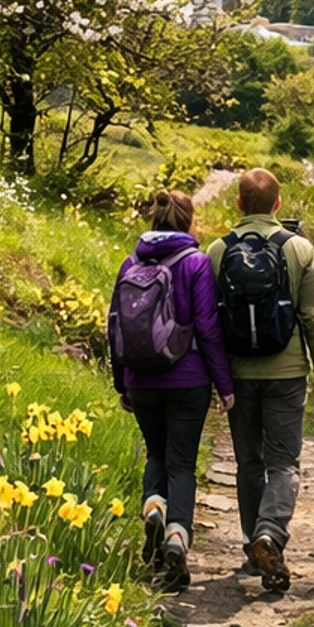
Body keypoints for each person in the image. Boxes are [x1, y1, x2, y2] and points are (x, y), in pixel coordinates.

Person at [207, 168, 314, 597]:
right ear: (278, 204)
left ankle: (252, 545)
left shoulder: (217, 251)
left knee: (248, 463)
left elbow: (209, 323)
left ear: (239, 204)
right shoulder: (298, 248)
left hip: (237, 374)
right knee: (284, 463)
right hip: (287, 371)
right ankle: (270, 535)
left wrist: (213, 374)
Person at [108, 188, 236, 593]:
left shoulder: (131, 262)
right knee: (181, 463)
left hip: (141, 380)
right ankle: (177, 538)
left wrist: (122, 383)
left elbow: (114, 328)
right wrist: (225, 384)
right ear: (188, 221)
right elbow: (208, 328)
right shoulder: (195, 262)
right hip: (188, 380)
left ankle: (153, 507)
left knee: (156, 455)